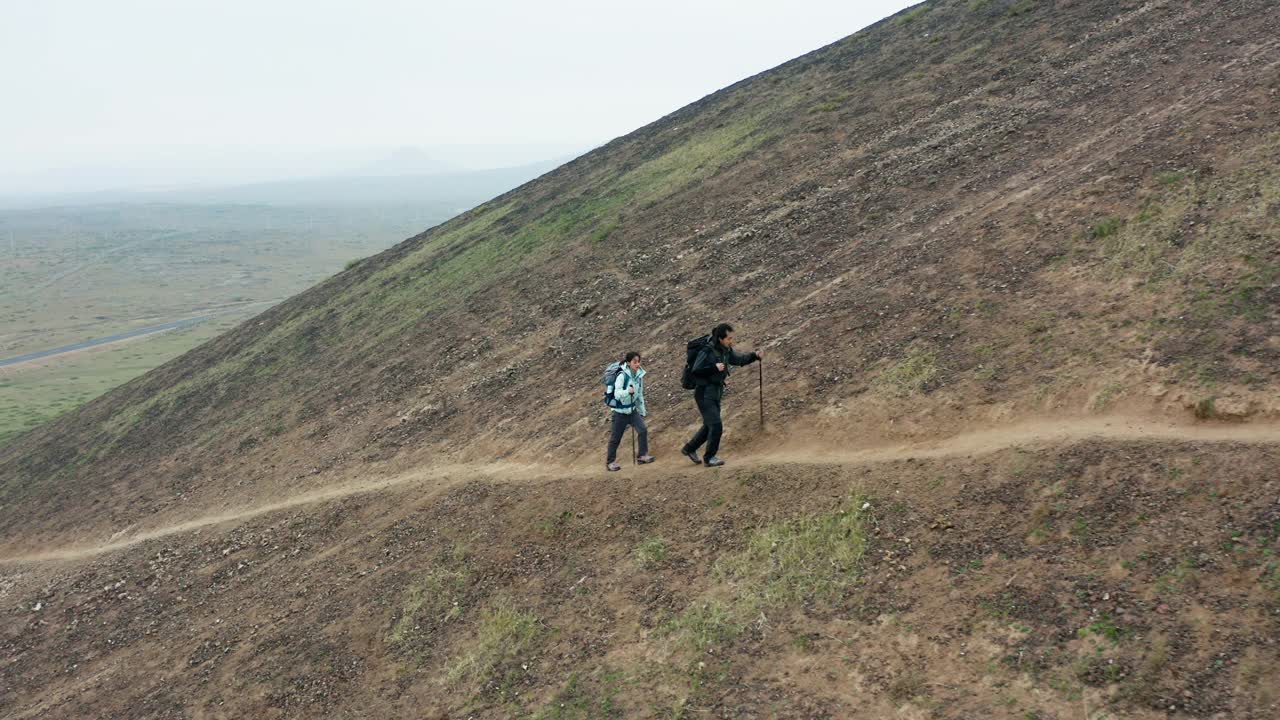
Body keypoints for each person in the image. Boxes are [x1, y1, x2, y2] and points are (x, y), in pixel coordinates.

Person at [681, 323, 761, 467]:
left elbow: (738, 360)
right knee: (716, 425)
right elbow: (695, 370)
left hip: (716, 393)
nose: (731, 341)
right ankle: (709, 458)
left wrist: (754, 356)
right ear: (720, 338)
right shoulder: (707, 350)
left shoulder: (725, 350)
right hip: (704, 393)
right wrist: (714, 368)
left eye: (731, 338)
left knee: (709, 426)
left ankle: (689, 449)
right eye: (729, 338)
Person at [607, 351, 654, 471]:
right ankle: (610, 462)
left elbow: (639, 395)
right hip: (619, 413)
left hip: (632, 410)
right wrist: (628, 391)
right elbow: (617, 394)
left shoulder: (639, 376)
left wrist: (642, 410)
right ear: (628, 362)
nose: (637, 364)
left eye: (639, 361)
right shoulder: (622, 375)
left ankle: (642, 456)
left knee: (642, 430)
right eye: (635, 362)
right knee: (616, 438)